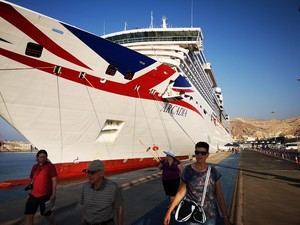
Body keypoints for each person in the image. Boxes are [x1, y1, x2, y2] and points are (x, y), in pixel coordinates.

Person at [163, 142, 230, 225]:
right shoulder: (187, 170)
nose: (199, 155)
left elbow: (219, 195)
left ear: (207, 155)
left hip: (209, 215)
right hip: (192, 213)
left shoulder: (213, 172)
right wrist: (169, 212)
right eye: (197, 152)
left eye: (203, 153)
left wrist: (225, 216)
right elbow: (180, 193)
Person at [79, 159, 124, 225]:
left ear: (101, 173)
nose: (89, 175)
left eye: (92, 172)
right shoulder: (85, 187)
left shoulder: (113, 187)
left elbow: (119, 207)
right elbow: (84, 208)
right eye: (87, 172)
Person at [24, 149, 57, 225]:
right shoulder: (34, 167)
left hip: (45, 195)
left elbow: (54, 180)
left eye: (44, 157)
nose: (42, 158)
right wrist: (30, 187)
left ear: (46, 158)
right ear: (37, 158)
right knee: (29, 214)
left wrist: (54, 194)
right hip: (33, 195)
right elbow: (32, 178)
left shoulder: (50, 166)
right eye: (40, 157)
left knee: (46, 214)